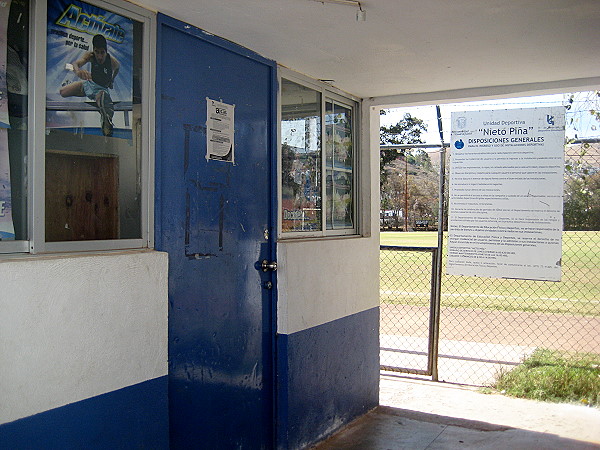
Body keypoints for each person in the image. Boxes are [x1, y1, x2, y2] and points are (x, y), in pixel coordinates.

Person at [59, 34, 120, 136]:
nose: (99, 56)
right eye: (97, 52)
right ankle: (99, 104)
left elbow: (117, 69)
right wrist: (78, 71)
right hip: (88, 84)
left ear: (106, 51)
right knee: (63, 92)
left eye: (102, 53)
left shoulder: (112, 62)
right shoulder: (90, 56)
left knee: (101, 99)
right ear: (94, 50)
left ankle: (106, 119)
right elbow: (75, 63)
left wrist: (112, 81)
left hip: (101, 90)